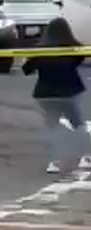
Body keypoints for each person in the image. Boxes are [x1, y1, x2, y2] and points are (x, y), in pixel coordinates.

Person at [22, 17, 91, 175]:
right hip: (69, 91)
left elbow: (27, 69)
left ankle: (53, 162)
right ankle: (86, 157)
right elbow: (78, 62)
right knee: (78, 124)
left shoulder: (40, 49)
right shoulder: (74, 48)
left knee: (51, 126)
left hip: (45, 94)